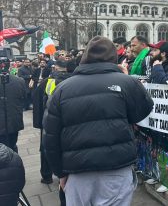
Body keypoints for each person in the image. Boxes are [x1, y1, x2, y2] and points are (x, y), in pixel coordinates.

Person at [42, 36, 154, 206]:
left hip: (77, 171)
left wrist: (60, 172)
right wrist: (127, 78)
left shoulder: (62, 89)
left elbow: (50, 137)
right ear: (113, 57)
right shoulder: (127, 82)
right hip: (116, 167)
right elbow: (142, 111)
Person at [33, 59, 77, 185]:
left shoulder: (47, 81)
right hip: (68, 121)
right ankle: (65, 173)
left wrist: (39, 123)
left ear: (55, 68)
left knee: (46, 147)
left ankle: (46, 176)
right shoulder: (73, 81)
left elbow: (37, 100)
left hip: (48, 121)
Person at [0, 60, 27, 153]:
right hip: (14, 121)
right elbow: (24, 98)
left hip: (9, 122)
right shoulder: (19, 81)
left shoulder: (19, 80)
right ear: (9, 67)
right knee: (12, 146)